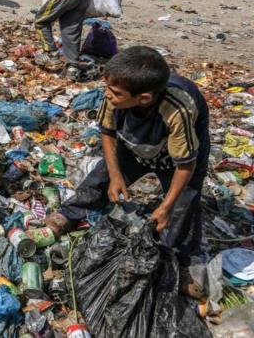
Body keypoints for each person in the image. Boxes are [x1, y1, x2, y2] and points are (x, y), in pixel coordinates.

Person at [46, 46, 209, 270]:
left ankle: (174, 260)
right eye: (108, 88)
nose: (107, 94)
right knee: (99, 179)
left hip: (177, 159)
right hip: (134, 146)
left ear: (143, 98)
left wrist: (166, 207)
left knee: (182, 207)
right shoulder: (115, 96)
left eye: (115, 92)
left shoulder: (176, 111)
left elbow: (186, 164)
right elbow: (107, 132)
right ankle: (69, 213)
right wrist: (115, 175)